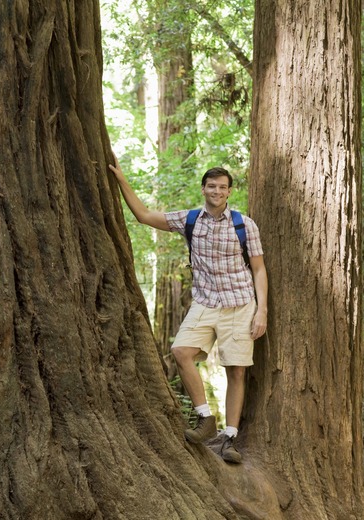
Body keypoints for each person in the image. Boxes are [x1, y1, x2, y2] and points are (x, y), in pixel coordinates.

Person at [108, 156, 268, 464]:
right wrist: (121, 179)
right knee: (181, 351)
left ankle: (230, 437)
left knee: (236, 370)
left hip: (240, 305)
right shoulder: (190, 220)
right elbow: (143, 215)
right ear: (203, 188)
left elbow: (259, 270)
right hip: (205, 303)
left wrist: (262, 312)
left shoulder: (244, 225)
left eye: (222, 187)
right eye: (211, 186)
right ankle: (205, 419)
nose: (216, 191)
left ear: (229, 192)